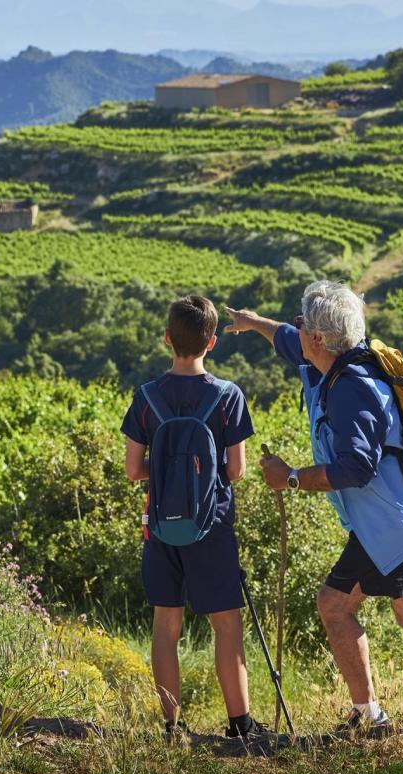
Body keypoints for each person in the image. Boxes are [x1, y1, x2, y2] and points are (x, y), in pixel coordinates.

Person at [225, 280, 403, 734]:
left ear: (318, 339)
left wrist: (291, 476)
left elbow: (356, 468)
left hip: (390, 525)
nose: (296, 332)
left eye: (302, 326)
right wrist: (254, 323)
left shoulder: (351, 389)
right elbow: (286, 338)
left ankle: (370, 718)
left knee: (334, 606)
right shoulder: (335, 357)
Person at [121, 294, 264, 738]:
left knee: (166, 623)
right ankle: (240, 724)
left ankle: (172, 725)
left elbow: (132, 471)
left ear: (167, 338)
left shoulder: (146, 397)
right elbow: (236, 471)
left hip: (161, 522)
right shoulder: (228, 397)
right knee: (226, 623)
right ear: (213, 342)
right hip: (213, 525)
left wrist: (167, 475)